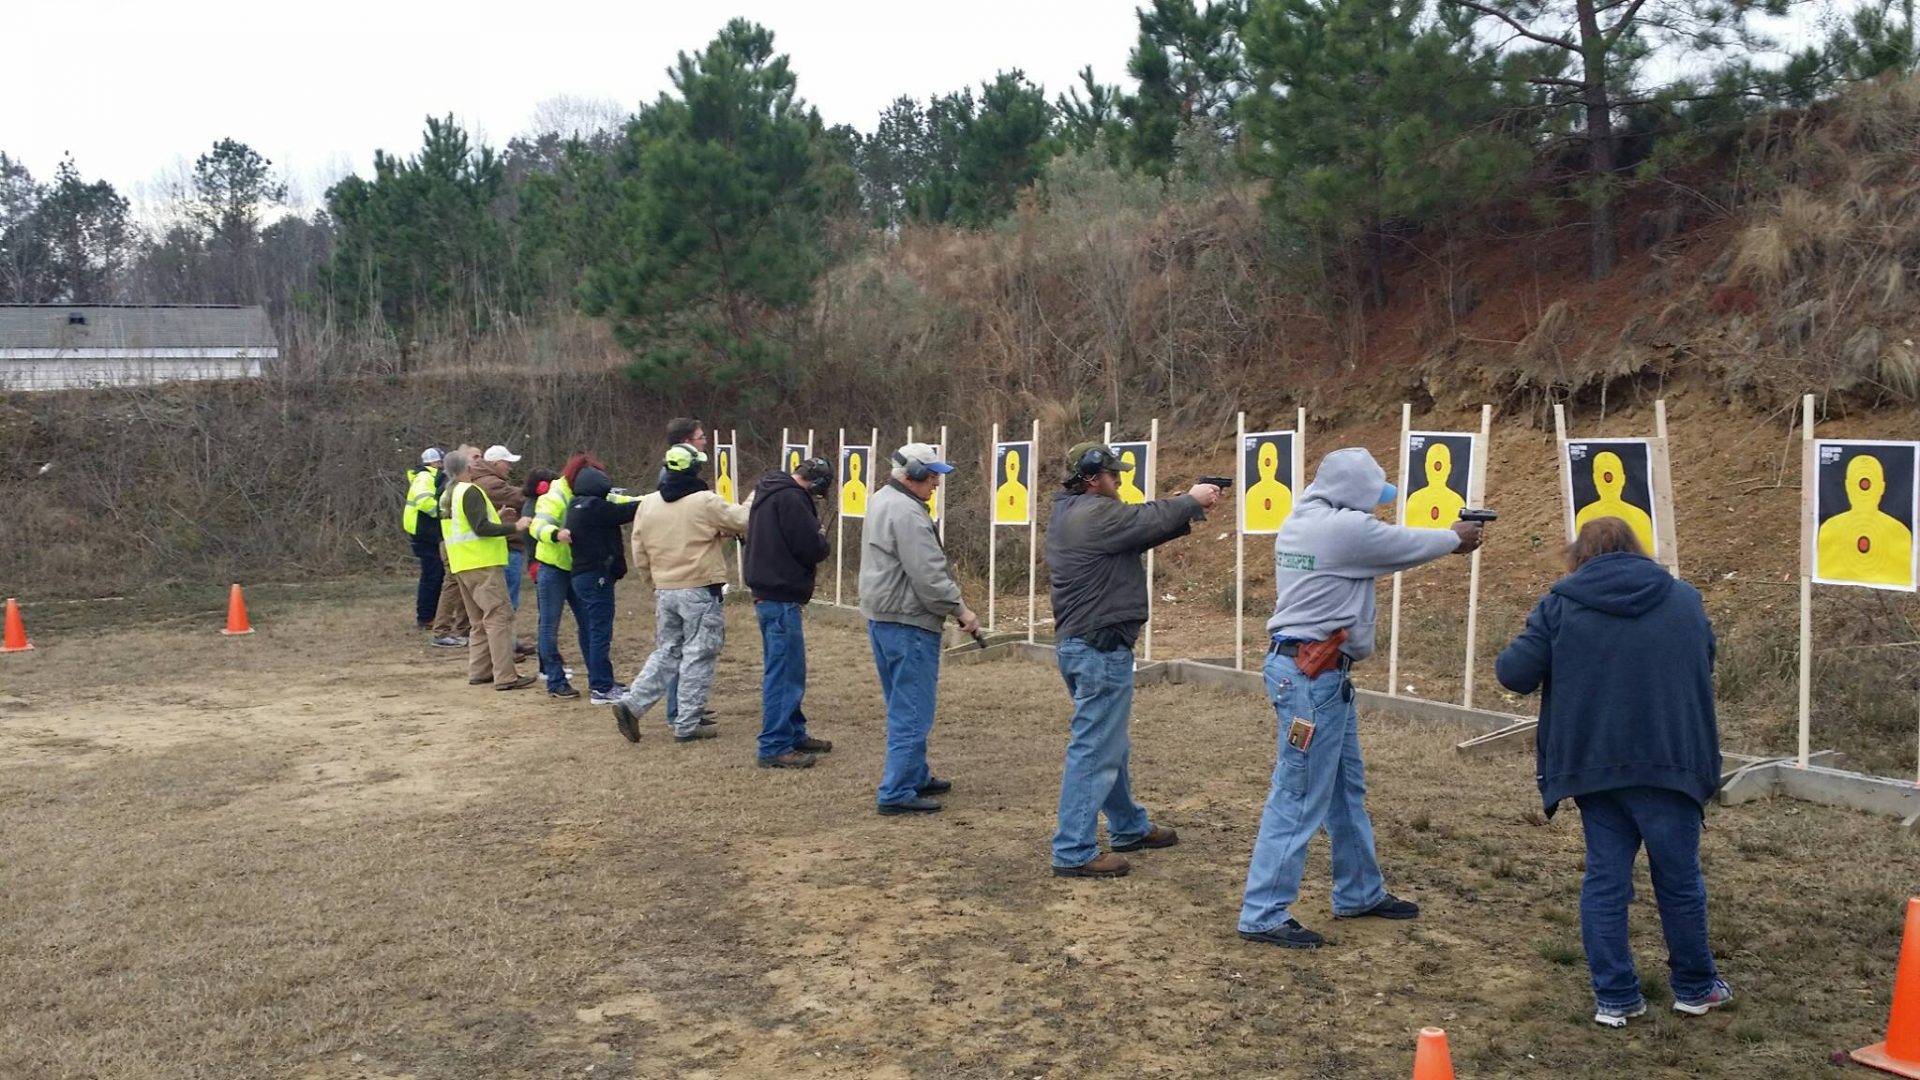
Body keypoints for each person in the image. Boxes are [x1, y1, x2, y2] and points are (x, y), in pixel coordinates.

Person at [1237, 448, 1481, 949]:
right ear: (1353, 493)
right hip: (1313, 680)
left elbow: (1382, 545)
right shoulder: (1342, 529)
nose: (1376, 508)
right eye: (1372, 498)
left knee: (1345, 791)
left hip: (1318, 677)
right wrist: (1457, 537)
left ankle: (1359, 891)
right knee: (1299, 794)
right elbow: (1404, 544)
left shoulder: (1306, 519)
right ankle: (1262, 912)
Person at [1495, 517, 1729, 1028]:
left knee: (1605, 881)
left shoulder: (1559, 604)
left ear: (1578, 557)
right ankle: (1695, 986)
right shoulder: (1684, 598)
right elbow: (1705, 657)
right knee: (1681, 881)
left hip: (1594, 766)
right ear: (1637, 549)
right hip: (1673, 760)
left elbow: (1513, 674)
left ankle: (1616, 998)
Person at [1046, 442, 1220, 877]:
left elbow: (1141, 527)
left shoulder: (1072, 512)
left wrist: (1189, 509)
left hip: (1085, 647)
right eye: (1112, 475)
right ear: (1091, 478)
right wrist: (1191, 500)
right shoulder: (1095, 513)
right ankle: (1073, 850)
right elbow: (1143, 518)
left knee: (1109, 745)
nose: (1119, 481)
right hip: (1099, 649)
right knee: (1095, 750)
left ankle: (1128, 826)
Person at [860, 443, 979, 815]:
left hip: (885, 617)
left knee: (903, 702)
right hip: (908, 620)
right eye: (931, 476)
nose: (936, 484)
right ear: (911, 474)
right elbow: (929, 576)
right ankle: (896, 791)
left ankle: (914, 773)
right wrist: (961, 609)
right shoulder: (908, 512)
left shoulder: (882, 499)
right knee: (912, 709)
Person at [610, 444, 751, 744]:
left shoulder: (647, 503)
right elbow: (743, 520)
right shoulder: (704, 501)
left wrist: (654, 582)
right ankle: (687, 724)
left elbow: (639, 549)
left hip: (666, 590)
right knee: (699, 655)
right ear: (695, 469)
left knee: (667, 652)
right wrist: (756, 498)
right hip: (699, 589)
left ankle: (633, 704)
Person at [744, 455, 836, 769]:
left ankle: (793, 732)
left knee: (789, 670)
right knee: (784, 674)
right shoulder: (793, 500)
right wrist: (821, 538)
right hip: (780, 596)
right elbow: (810, 548)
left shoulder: (769, 492)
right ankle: (774, 745)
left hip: (770, 593)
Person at [442, 449, 535, 691]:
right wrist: (516, 526)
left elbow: (467, 524)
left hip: (462, 563)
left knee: (478, 621)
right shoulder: (470, 490)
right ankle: (506, 675)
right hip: (482, 563)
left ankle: (480, 671)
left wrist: (498, 516)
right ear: (467, 468)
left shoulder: (448, 493)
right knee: (498, 617)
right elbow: (481, 529)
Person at [564, 463, 641, 705]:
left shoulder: (576, 505)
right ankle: (601, 687)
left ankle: (601, 680)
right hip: (594, 576)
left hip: (582, 576)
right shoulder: (594, 507)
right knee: (599, 632)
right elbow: (624, 511)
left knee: (591, 631)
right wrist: (651, 501)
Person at [522, 467, 578, 698]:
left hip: (543, 563)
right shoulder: (535, 508)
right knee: (547, 622)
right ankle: (548, 669)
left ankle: (548, 667)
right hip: (542, 563)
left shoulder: (533, 504)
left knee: (546, 620)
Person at [403, 447, 446, 631]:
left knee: (435, 574)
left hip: (425, 533)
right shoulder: (425, 477)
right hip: (425, 534)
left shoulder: (426, 476)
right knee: (432, 575)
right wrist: (445, 513)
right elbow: (425, 502)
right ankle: (426, 616)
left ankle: (431, 614)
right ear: (437, 463)